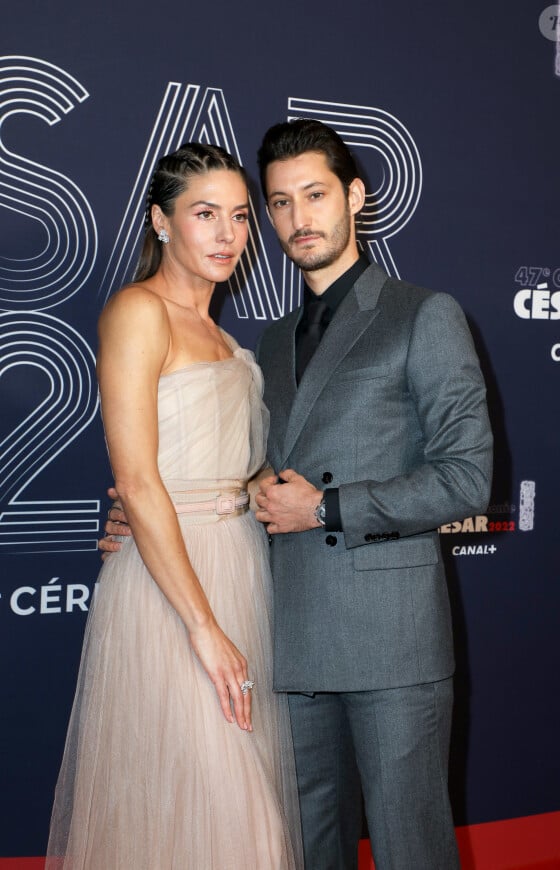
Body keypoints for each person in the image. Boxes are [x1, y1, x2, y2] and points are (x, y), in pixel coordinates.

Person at [101, 120, 493, 870]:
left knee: (414, 849)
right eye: (276, 204)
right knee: (309, 854)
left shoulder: (424, 315)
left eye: (314, 196)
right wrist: (153, 504)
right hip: (287, 645)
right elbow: (236, 469)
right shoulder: (266, 343)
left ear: (355, 197)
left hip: (391, 648)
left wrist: (325, 508)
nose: (295, 220)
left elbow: (466, 477)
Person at [46, 143, 303, 870]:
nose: (226, 234)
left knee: (219, 817)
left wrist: (259, 489)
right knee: (222, 810)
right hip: (171, 592)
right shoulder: (138, 311)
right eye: (203, 214)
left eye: (240, 217)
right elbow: (137, 478)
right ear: (162, 222)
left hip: (239, 571)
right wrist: (202, 627)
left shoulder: (231, 341)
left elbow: (235, 468)